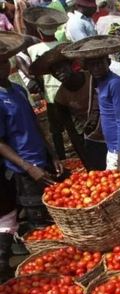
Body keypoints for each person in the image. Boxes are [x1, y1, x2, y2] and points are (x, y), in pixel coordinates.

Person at [0, 32, 64, 230]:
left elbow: (34, 125)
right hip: (24, 169)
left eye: (3, 62)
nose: (2, 67)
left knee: (57, 212)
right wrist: (28, 167)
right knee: (41, 223)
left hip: (41, 160)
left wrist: (52, 154)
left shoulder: (17, 90)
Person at [63, 38, 120, 173]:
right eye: (92, 65)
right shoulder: (101, 83)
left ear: (109, 62)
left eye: (100, 63)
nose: (96, 68)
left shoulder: (115, 84)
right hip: (115, 149)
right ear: (87, 67)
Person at [23, 8, 68, 161]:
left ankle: (61, 158)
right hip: (68, 92)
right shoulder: (65, 45)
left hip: (51, 95)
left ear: (39, 31)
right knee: (72, 128)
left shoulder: (32, 49)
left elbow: (34, 73)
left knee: (56, 131)